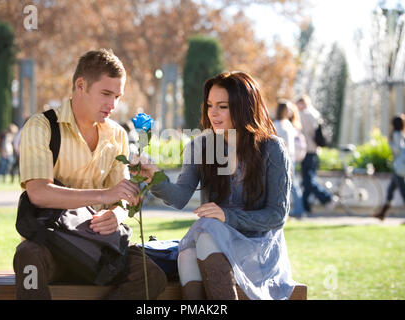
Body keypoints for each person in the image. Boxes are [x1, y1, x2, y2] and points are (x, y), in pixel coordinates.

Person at [13, 49, 167, 300]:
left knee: (152, 276)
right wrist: (106, 194)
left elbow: (121, 198)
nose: (113, 104)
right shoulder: (41, 126)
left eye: (117, 96)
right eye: (106, 93)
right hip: (53, 243)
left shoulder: (117, 135)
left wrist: (115, 214)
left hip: (97, 248)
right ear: (81, 85)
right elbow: (38, 193)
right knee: (28, 256)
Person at [137, 71, 296, 300]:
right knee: (187, 255)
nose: (213, 113)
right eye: (210, 105)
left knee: (207, 233)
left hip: (257, 248)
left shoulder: (271, 149)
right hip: (211, 243)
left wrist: (226, 216)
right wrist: (155, 177)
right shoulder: (201, 145)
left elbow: (277, 215)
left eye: (223, 106)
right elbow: (180, 197)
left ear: (243, 107)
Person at [296, 95, 333, 214]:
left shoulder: (305, 114)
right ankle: (305, 207)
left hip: (308, 150)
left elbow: (307, 132)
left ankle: (327, 198)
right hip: (315, 151)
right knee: (308, 180)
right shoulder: (315, 113)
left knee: (308, 180)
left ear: (302, 103)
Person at [373, 114, 405, 223]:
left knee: (403, 192)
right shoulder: (402, 134)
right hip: (401, 167)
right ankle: (382, 214)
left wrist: (390, 142)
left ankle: (382, 213)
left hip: (399, 167)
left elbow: (398, 149)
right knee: (390, 190)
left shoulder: (397, 135)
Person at [273, 99, 305, 217]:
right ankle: (291, 210)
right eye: (287, 109)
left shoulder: (287, 123)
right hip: (281, 157)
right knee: (286, 184)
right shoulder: (278, 124)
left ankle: (298, 210)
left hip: (288, 158)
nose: (290, 111)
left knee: (292, 184)